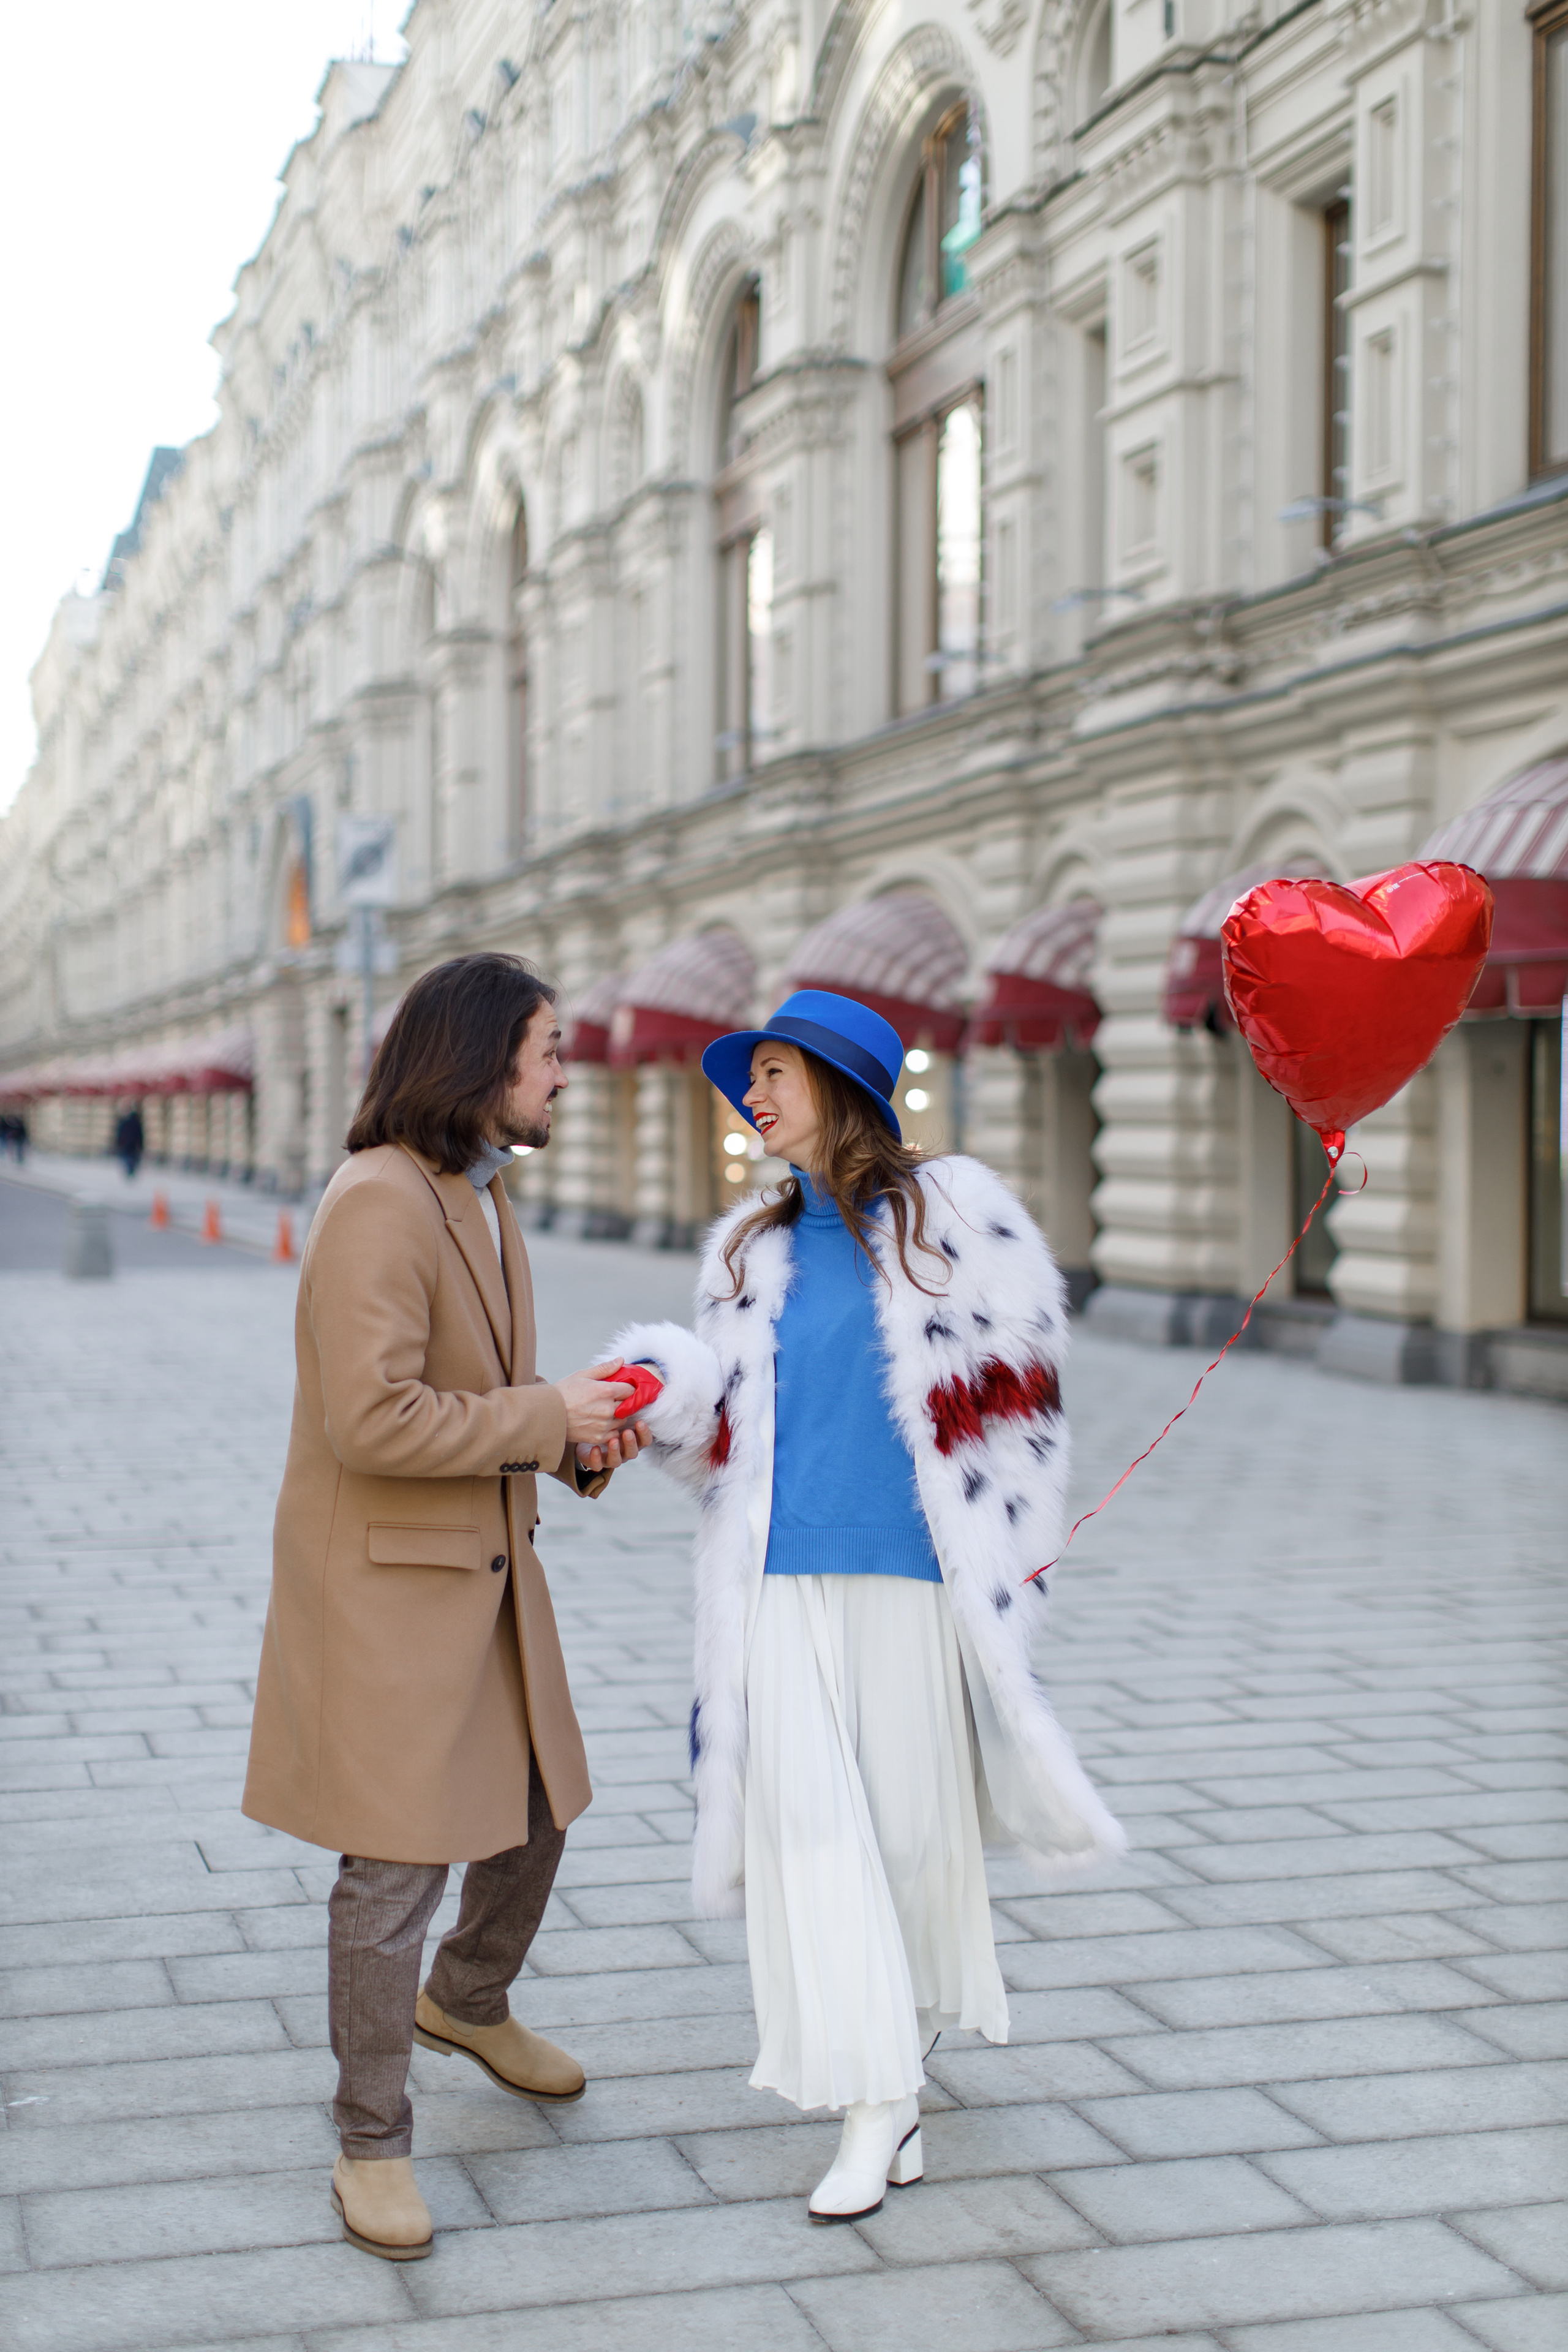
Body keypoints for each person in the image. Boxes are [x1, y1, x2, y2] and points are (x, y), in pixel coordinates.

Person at [611, 990, 1123, 2223]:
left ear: (843, 1086)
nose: (757, 1099)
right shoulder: (748, 1249)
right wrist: (657, 1391)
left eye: (778, 1075)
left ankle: (890, 2070)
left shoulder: (951, 1223)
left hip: (909, 1588)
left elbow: (1023, 1409)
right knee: (807, 1840)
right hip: (778, 1585)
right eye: (752, 1080)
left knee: (898, 1837)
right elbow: (722, 1432)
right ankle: (871, 2101)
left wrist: (1008, 1564)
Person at [242, 952, 652, 2263]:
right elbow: (371, 1418)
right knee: (393, 1868)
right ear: (477, 1059)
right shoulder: (378, 1200)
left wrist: (576, 1441)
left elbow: (480, 1390)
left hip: (482, 1576)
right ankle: (371, 2141)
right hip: (389, 1593)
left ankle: (468, 2003)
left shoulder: (479, 1196)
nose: (561, 1073)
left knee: (535, 1815)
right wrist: (541, 1417)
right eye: (545, 1050)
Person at [115, 1103, 144, 1179]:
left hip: (129, 1145)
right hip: (130, 1145)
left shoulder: (126, 1121)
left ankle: (130, 1172)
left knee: (129, 1158)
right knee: (130, 1159)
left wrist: (118, 1143)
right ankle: (130, 1172)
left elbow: (120, 1133)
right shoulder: (134, 1121)